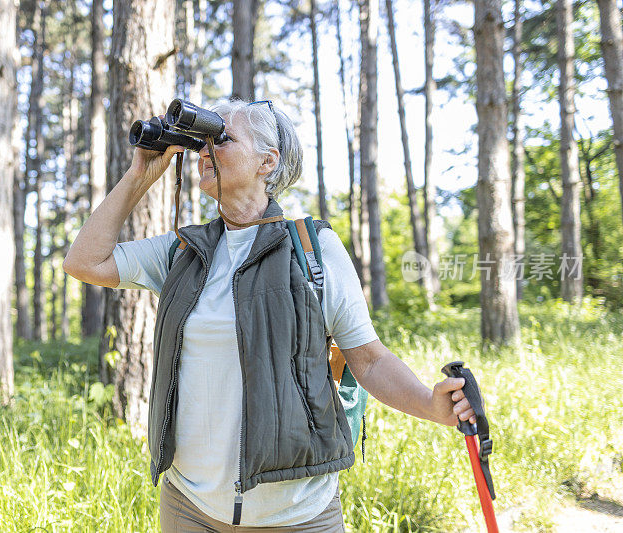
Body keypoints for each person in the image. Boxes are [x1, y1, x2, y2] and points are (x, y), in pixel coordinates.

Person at [63, 99, 476, 532]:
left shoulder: (313, 250)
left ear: (267, 161)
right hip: (188, 506)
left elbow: (369, 360)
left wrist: (432, 406)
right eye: (202, 140)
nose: (205, 151)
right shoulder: (184, 251)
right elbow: (84, 262)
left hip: (296, 514)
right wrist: (139, 176)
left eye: (221, 138)